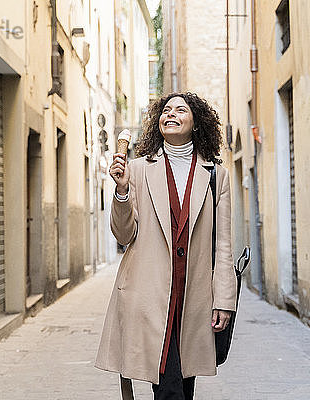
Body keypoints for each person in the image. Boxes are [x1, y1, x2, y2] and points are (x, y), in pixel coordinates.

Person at [95, 92, 236, 400]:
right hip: (148, 294)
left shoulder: (215, 176)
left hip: (194, 296)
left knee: (184, 383)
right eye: (165, 110)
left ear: (196, 123)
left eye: (180, 110)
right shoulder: (138, 170)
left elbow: (223, 244)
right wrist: (121, 192)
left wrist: (224, 299)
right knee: (170, 386)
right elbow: (123, 234)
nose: (170, 114)